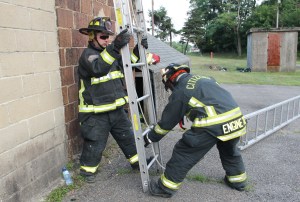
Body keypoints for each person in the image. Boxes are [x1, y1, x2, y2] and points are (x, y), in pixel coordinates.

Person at [144, 63, 248, 198]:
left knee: (184, 152)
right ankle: (238, 182)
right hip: (236, 119)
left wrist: (150, 137)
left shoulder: (181, 91)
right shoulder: (204, 78)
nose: (170, 89)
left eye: (169, 86)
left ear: (171, 79)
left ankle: (165, 187)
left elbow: (166, 124)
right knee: (230, 151)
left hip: (212, 124)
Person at [77, 17, 148, 183]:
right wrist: (115, 47)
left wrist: (139, 49)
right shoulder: (88, 56)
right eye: (103, 37)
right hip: (95, 113)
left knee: (128, 137)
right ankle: (87, 172)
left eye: (108, 37)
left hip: (116, 110)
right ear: (91, 37)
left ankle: (138, 163)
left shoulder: (109, 54)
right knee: (95, 143)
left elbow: (130, 64)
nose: (107, 40)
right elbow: (98, 68)